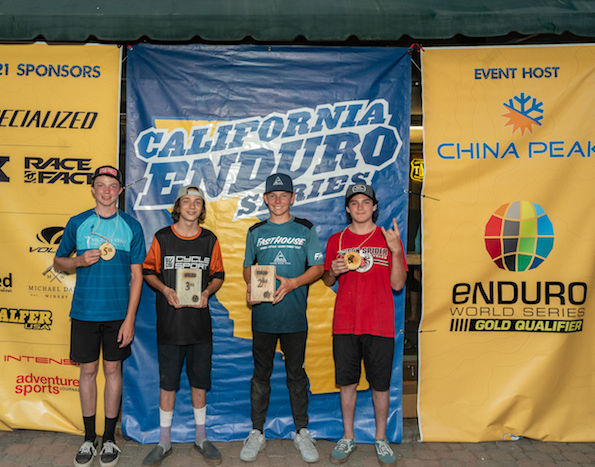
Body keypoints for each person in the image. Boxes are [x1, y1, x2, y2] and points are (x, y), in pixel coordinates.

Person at [54, 165, 145, 467]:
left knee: (113, 372)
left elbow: (137, 277)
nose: (106, 190)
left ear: (120, 191)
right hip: (85, 312)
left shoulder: (131, 227)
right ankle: (88, 438)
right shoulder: (78, 223)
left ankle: (109, 439)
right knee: (88, 373)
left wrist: (130, 319)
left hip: (118, 315)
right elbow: (58, 261)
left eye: (112, 186)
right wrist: (78, 260)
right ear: (93, 189)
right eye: (101, 185)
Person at [240, 173, 324, 464]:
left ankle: (302, 431)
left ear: (292, 198)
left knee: (296, 376)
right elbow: (247, 268)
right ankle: (256, 432)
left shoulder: (305, 228)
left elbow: (318, 268)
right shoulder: (255, 231)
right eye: (272, 195)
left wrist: (293, 283)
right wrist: (251, 286)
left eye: (283, 195)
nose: (278, 200)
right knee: (260, 376)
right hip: (263, 317)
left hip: (293, 319)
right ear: (265, 198)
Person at [321, 183, 407, 465]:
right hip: (345, 323)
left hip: (380, 324)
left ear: (374, 207)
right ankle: (348, 437)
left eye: (365, 202)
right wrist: (332, 271)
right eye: (354, 202)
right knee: (347, 383)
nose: (360, 207)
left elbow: (397, 284)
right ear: (347, 208)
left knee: (380, 385)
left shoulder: (389, 238)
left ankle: (381, 439)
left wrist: (395, 252)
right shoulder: (337, 239)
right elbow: (328, 280)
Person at [141, 185, 225, 467]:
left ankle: (200, 437)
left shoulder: (210, 239)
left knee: (199, 382)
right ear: (178, 206)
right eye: (186, 201)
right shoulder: (162, 238)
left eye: (197, 202)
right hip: (170, 324)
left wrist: (207, 292)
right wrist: (165, 290)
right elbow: (148, 271)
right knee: (168, 384)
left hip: (199, 326)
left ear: (202, 209)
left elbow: (218, 275)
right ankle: (164, 441)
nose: (192, 206)